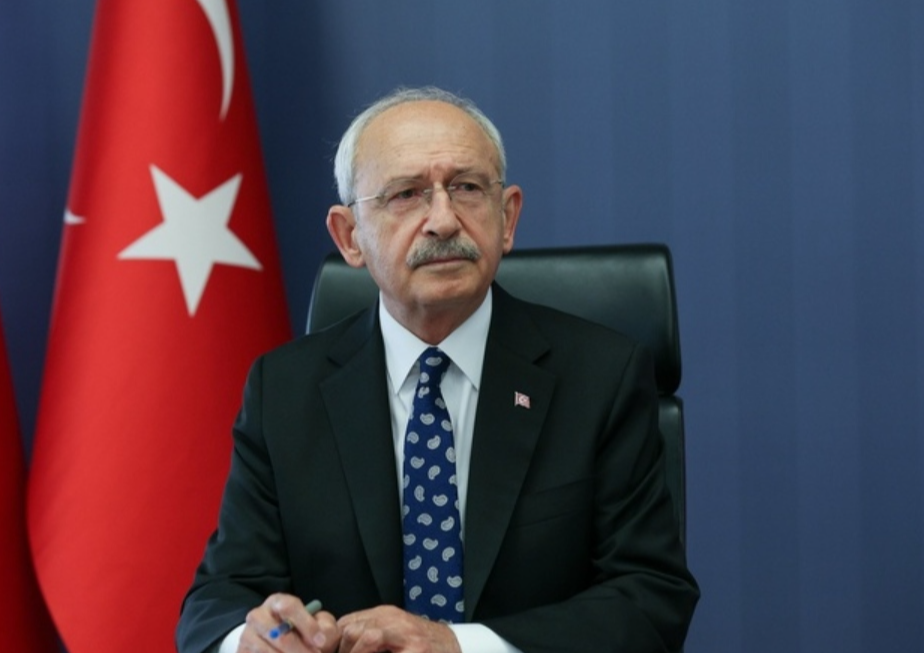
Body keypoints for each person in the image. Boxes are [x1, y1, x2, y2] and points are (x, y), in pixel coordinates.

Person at [176, 86, 699, 653]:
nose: (443, 221)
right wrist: (251, 641)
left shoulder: (601, 377)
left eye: (467, 188)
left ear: (507, 217)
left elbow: (650, 597)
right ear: (350, 237)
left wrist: (457, 646)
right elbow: (216, 603)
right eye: (406, 194)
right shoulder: (284, 391)